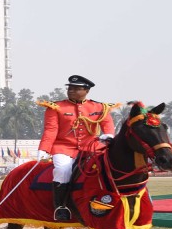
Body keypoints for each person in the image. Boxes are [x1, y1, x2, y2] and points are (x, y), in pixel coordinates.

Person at [37, 75, 116, 220]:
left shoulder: (100, 107)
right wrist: (44, 149)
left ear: (86, 90)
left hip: (92, 148)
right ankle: (61, 207)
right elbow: (50, 130)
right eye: (70, 88)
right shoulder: (56, 107)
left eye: (76, 88)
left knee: (109, 166)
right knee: (62, 170)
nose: (71, 91)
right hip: (64, 148)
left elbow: (107, 125)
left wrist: (109, 135)